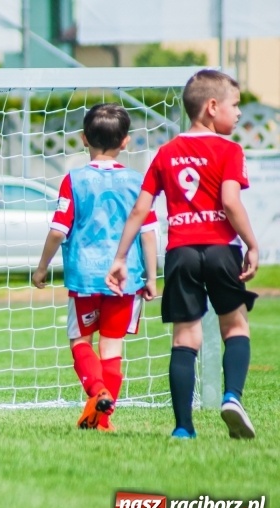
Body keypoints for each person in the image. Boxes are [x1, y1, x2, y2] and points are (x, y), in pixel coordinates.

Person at [106, 69, 259, 440]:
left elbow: (140, 210)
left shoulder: (166, 153)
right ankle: (232, 397)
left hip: (181, 252)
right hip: (221, 250)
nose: (238, 113)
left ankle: (183, 428)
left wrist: (122, 257)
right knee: (235, 326)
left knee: (184, 338)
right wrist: (252, 244)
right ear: (211, 107)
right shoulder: (229, 150)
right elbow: (229, 201)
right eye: (234, 105)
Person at [32, 103, 159, 432]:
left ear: (84, 139)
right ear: (126, 141)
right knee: (112, 347)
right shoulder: (136, 181)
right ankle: (103, 421)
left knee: (80, 341)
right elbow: (148, 233)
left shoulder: (74, 180)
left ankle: (96, 392)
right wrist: (151, 277)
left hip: (84, 277)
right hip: (126, 278)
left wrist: (42, 267)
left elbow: (59, 230)